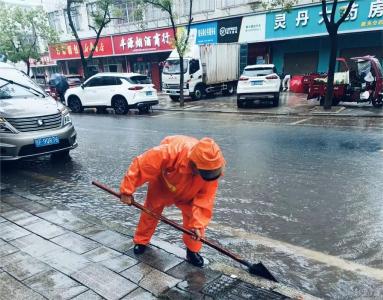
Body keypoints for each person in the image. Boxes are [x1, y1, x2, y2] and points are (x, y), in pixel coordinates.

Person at [120, 135, 225, 267]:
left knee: (195, 223)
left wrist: (198, 224)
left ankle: (192, 251)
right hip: (164, 183)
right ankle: (141, 241)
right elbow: (142, 165)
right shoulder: (171, 151)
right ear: (193, 163)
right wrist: (126, 191)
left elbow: (205, 200)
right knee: (151, 211)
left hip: (192, 189)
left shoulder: (211, 171)